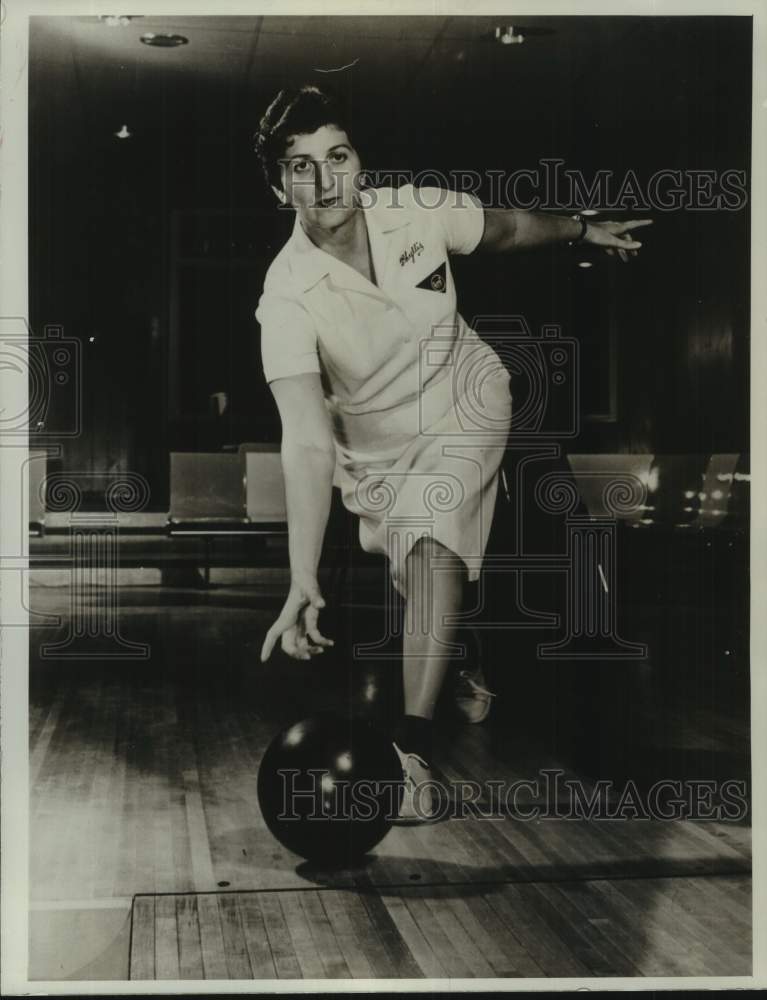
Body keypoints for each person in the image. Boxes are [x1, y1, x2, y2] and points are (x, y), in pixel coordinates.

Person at [254, 85, 651, 822]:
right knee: (422, 578)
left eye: (337, 155)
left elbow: (502, 229)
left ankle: (411, 755)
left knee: (433, 549)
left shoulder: (416, 210)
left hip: (466, 401)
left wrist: (578, 229)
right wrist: (301, 575)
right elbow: (307, 436)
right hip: (371, 458)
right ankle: (460, 653)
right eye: (301, 166)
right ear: (280, 186)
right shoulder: (284, 296)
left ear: (358, 162)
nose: (325, 178)